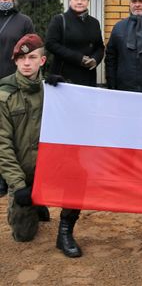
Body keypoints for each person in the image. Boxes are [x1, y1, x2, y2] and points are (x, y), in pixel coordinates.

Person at [0, 34, 83, 257]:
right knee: (23, 235)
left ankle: (65, 231)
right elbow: (2, 146)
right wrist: (18, 187)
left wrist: (67, 91)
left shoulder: (53, 90)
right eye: (22, 58)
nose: (27, 63)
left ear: (42, 61)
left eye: (32, 57)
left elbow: (75, 123)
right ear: (15, 60)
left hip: (51, 168)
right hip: (24, 173)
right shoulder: (4, 95)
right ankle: (36, 202)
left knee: (79, 174)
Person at [0, 0, 34, 197]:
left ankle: (7, 180)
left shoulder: (24, 21)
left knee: (9, 133)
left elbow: (30, 50)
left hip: (12, 84)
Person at [45, 0, 104, 87]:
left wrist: (95, 60)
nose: (79, 2)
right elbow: (51, 44)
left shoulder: (94, 22)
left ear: (88, 0)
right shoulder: (59, 20)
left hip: (88, 76)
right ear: (70, 0)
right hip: (64, 77)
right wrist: (79, 58)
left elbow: (100, 47)